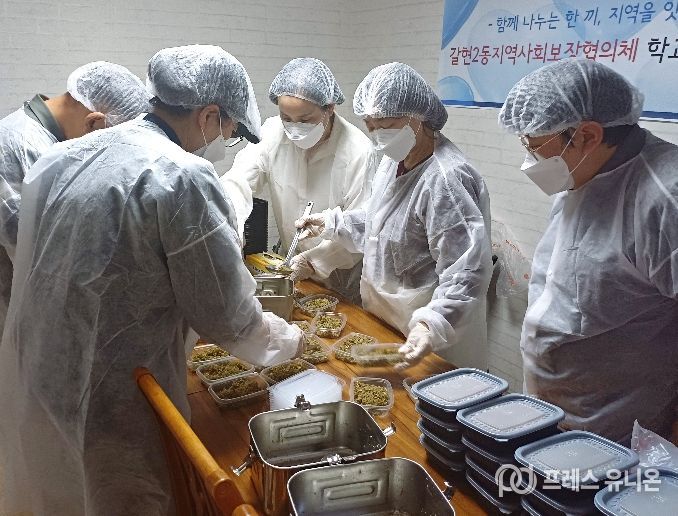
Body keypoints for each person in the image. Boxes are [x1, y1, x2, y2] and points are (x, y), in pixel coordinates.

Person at [0, 45, 303, 516]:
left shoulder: (64, 157)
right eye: (228, 131)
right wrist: (289, 341)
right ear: (208, 115)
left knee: (59, 491)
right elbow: (227, 317)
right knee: (123, 498)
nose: (223, 141)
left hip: (43, 371)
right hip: (118, 390)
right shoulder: (181, 175)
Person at [498, 58, 678, 444]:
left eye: (535, 147)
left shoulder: (665, 199)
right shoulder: (584, 173)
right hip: (554, 412)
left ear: (588, 135)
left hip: (617, 433)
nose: (530, 160)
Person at [296, 62, 492, 370]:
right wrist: (333, 223)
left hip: (433, 339)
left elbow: (466, 271)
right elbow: (381, 225)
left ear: (418, 116)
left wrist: (431, 324)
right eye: (370, 126)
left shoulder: (446, 179)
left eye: (385, 124)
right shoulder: (393, 161)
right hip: (388, 320)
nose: (377, 135)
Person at [0, 61, 150, 333]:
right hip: (16, 320)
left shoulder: (43, 140)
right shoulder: (25, 150)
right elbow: (45, 256)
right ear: (94, 122)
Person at [220, 57, 374, 302]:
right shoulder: (272, 132)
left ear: (330, 108)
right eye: (286, 118)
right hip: (290, 266)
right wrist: (228, 230)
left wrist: (313, 262)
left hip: (340, 275)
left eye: (305, 120)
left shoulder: (358, 151)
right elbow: (238, 183)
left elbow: (362, 227)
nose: (294, 128)